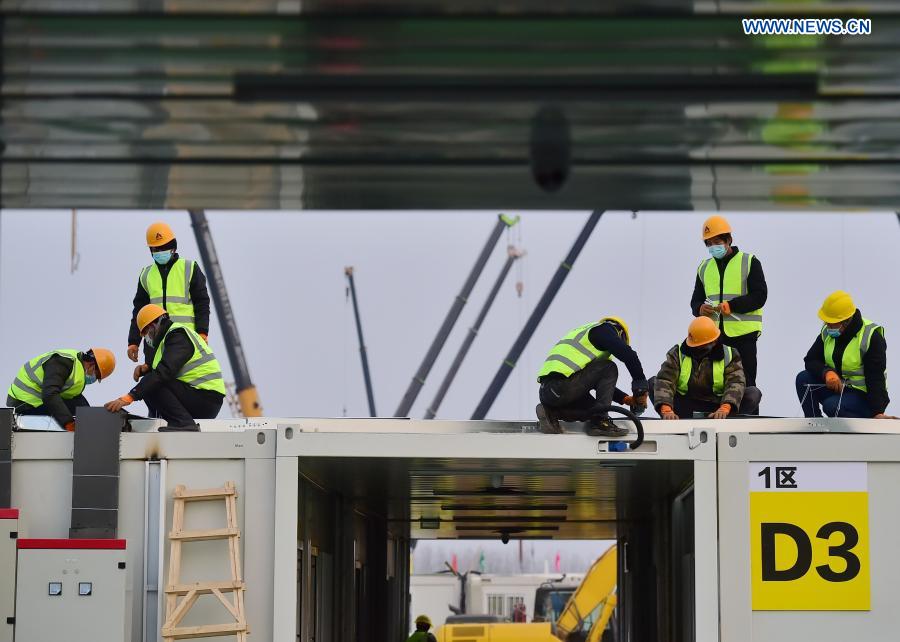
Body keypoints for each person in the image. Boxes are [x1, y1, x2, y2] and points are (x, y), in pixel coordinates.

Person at [105, 304, 224, 430]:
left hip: (206, 399)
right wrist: (148, 369)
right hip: (199, 396)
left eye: (145, 332)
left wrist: (129, 397)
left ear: (153, 325)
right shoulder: (167, 340)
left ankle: (184, 424)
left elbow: (164, 372)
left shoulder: (178, 335)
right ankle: (166, 421)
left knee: (152, 384)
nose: (146, 337)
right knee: (150, 381)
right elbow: (166, 369)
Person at [536, 317, 649, 436]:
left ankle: (551, 413)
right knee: (609, 367)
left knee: (593, 411)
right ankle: (601, 422)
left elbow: (596, 382)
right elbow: (629, 355)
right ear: (620, 333)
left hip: (549, 393)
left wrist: (625, 399)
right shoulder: (604, 329)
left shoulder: (586, 339)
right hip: (561, 386)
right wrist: (640, 387)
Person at [691, 215, 767, 391]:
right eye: (708, 243)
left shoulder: (749, 261)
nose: (712, 247)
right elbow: (695, 300)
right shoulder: (704, 267)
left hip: (744, 335)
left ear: (729, 240)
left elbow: (760, 296)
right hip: (713, 336)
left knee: (746, 384)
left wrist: (733, 306)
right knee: (717, 384)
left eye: (716, 241)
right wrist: (700, 309)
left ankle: (748, 418)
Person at [796, 291, 894, 418]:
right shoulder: (828, 332)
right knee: (803, 378)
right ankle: (814, 423)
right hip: (839, 391)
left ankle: (866, 418)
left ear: (846, 321)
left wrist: (877, 412)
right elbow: (811, 360)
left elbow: (875, 378)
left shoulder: (871, 337)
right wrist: (827, 372)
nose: (827, 325)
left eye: (831, 322)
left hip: (864, 398)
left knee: (832, 406)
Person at [127, 222, 211, 364]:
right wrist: (133, 341)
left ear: (173, 246)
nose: (160, 251)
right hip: (155, 344)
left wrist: (202, 332)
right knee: (157, 382)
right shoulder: (146, 275)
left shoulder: (190, 268)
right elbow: (139, 312)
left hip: (186, 340)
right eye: (156, 248)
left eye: (164, 247)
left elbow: (202, 304)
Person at [652, 317, 761, 419]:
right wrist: (666, 409)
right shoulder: (677, 353)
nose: (698, 349)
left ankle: (728, 421)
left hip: (718, 408)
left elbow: (735, 382)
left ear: (714, 342)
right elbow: (665, 380)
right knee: (653, 383)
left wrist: (726, 407)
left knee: (753, 394)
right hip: (685, 407)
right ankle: (673, 418)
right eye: (696, 346)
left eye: (702, 346)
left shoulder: (730, 354)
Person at [7, 348, 116, 431]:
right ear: (92, 365)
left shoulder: (78, 371)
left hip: (39, 400)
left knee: (83, 412)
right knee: (71, 415)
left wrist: (90, 418)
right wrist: (68, 423)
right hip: (24, 402)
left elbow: (77, 400)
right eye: (96, 376)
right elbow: (50, 394)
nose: (94, 379)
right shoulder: (63, 362)